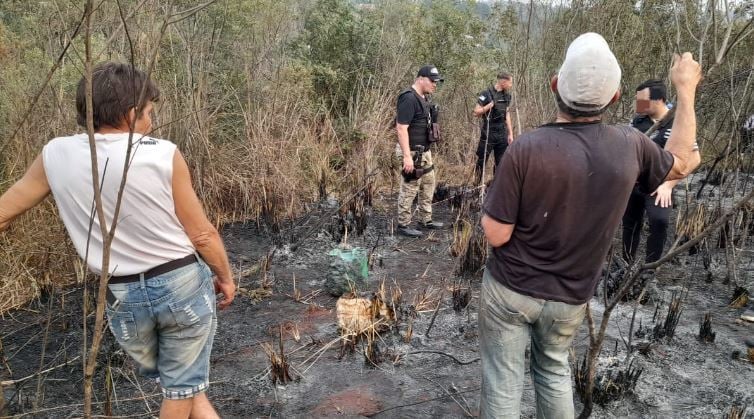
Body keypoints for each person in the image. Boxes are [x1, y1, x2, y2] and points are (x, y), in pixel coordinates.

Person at [478, 33, 701, 418]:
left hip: (511, 291)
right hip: (570, 297)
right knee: (553, 371)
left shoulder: (525, 148)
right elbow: (682, 160)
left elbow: (497, 234)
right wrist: (686, 90)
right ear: (615, 97)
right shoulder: (630, 144)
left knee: (504, 380)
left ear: (554, 86)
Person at [0, 62, 236, 419]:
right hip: (181, 284)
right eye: (148, 113)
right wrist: (225, 276)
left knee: (184, 384)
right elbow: (202, 234)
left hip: (121, 297)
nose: (151, 123)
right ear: (129, 114)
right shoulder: (161, 153)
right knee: (180, 389)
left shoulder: (55, 154)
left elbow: (4, 212)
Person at [622, 79, 678, 268]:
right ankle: (625, 264)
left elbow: (688, 158)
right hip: (635, 182)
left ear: (660, 100)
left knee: (659, 221)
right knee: (630, 223)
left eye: (643, 101)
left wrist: (668, 185)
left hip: (661, 184)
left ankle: (650, 268)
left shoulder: (678, 122)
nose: (639, 105)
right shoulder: (637, 122)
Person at [395, 65, 444, 238]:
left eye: (436, 81)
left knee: (429, 183)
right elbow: (401, 128)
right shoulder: (408, 98)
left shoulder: (423, 98)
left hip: (425, 151)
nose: (435, 84)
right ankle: (403, 224)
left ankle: (425, 219)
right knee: (410, 187)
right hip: (413, 152)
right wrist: (407, 156)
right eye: (432, 81)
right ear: (420, 78)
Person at [473, 72, 514, 182]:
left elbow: (507, 114)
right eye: (510, 83)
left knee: (500, 162)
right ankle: (476, 185)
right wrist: (489, 106)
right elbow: (476, 112)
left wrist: (510, 133)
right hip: (488, 131)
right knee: (482, 159)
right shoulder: (486, 93)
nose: (511, 85)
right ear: (503, 82)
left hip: (502, 132)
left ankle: (496, 185)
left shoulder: (507, 96)